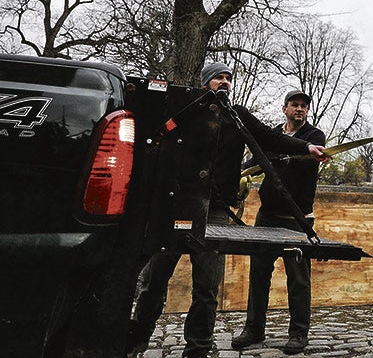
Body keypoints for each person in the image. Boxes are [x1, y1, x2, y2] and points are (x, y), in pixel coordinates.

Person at [126, 63, 328, 358]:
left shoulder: (238, 116)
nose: (225, 82)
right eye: (218, 78)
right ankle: (136, 339)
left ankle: (198, 348)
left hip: (216, 211)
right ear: (205, 83)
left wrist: (306, 148)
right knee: (154, 280)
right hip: (176, 206)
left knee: (207, 286)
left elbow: (270, 138)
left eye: (228, 78)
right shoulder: (187, 111)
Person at [232, 90, 326, 355]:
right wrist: (240, 175)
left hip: (297, 219)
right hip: (267, 216)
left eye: (304, 106)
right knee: (259, 273)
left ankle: (298, 333)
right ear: (285, 109)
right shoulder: (271, 135)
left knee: (298, 279)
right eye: (295, 105)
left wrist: (275, 156)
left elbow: (298, 162)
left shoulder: (314, 137)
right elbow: (253, 163)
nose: (300, 109)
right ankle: (254, 329)